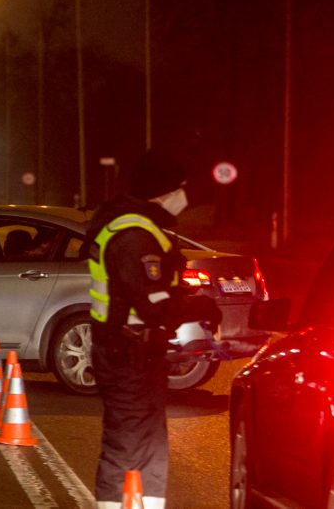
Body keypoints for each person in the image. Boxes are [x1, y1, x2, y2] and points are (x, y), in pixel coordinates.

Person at [85, 149, 221, 509]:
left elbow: (148, 295)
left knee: (151, 442)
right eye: (180, 188)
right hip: (126, 354)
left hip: (140, 353)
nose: (184, 196)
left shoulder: (142, 228)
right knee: (125, 443)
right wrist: (203, 306)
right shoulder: (134, 236)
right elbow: (153, 305)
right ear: (163, 190)